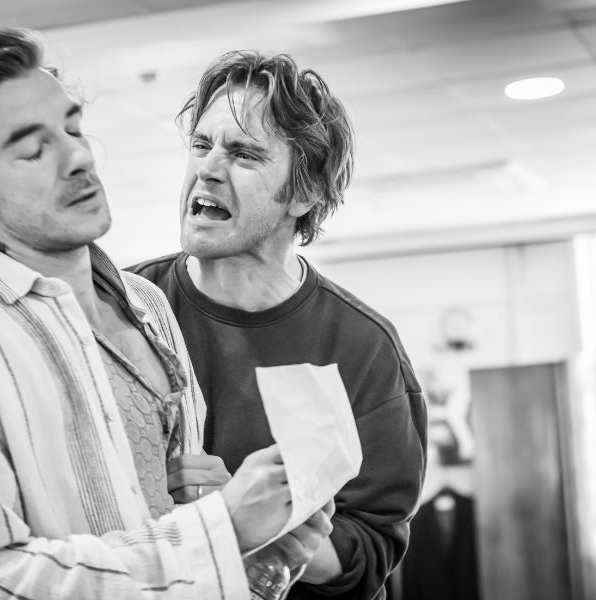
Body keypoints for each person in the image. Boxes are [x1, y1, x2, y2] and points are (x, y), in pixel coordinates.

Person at [0, 29, 320, 599]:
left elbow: (173, 518)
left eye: (73, 127)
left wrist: (249, 558)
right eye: (33, 148)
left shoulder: (148, 305)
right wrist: (218, 530)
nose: (77, 155)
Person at [129, 51, 428, 600]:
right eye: (201, 145)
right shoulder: (125, 311)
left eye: (243, 153)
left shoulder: (362, 347)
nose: (208, 169)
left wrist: (252, 520)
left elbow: (370, 551)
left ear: (304, 192)